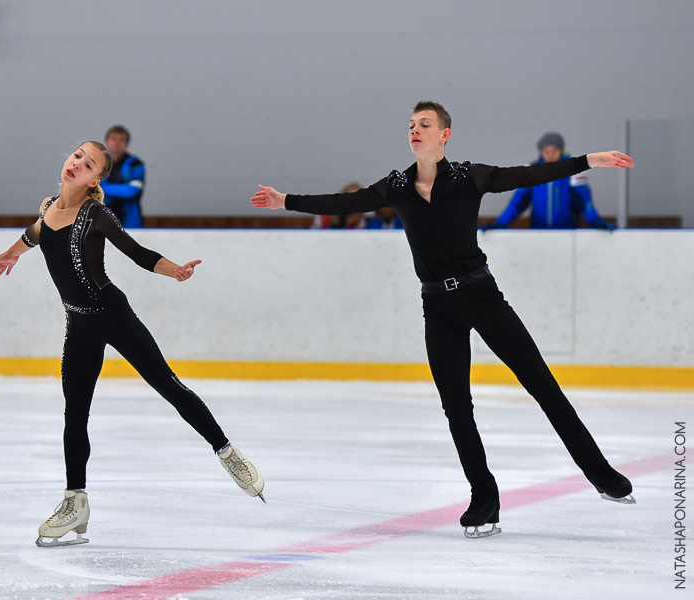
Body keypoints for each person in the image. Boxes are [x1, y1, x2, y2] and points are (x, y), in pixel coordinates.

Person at [251, 101, 635, 538]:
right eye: (411, 125)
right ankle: (483, 498)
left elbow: (527, 176)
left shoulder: (470, 176)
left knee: (541, 385)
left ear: (444, 135)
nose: (415, 130)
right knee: (457, 409)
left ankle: (602, 474)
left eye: (425, 124)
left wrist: (590, 160)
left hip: (482, 296)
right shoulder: (395, 186)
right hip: (437, 307)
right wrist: (286, 201)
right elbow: (347, 202)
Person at [0, 140, 264, 547]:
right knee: (74, 414)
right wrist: (12, 253)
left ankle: (226, 452)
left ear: (97, 179)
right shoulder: (49, 207)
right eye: (76, 155)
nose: (77, 163)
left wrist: (175, 271)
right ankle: (75, 502)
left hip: (113, 316)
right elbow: (35, 234)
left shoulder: (96, 214)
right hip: (78, 325)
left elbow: (137, 252)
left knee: (168, 385)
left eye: (89, 164)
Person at [480, 131, 616, 230]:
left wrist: (595, 221)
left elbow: (585, 202)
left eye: (554, 151)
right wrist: (500, 223)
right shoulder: (531, 172)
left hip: (567, 235)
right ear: (541, 152)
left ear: (561, 151)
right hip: (539, 234)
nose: (550, 155)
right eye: (546, 152)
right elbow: (518, 202)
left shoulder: (574, 174)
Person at [101, 125, 145, 228]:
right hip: (102, 221)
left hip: (129, 222)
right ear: (106, 142)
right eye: (113, 139)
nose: (117, 143)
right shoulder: (97, 165)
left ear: (127, 144)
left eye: (121, 140)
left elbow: (131, 191)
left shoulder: (136, 165)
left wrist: (102, 189)